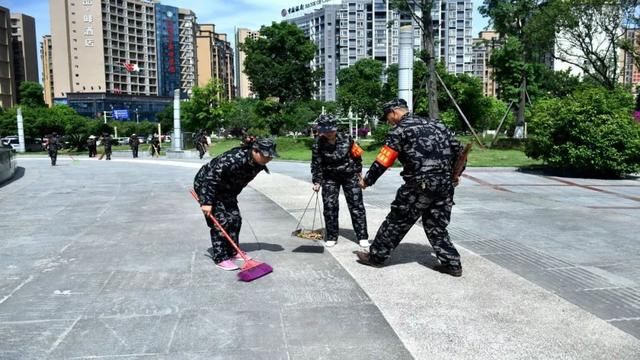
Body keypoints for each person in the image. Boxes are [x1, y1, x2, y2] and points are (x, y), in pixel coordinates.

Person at [355, 99, 464, 277]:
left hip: (419, 186)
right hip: (444, 185)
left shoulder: (400, 130)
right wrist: (456, 174)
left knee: (396, 221)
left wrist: (367, 181)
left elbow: (385, 159)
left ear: (394, 112)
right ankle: (452, 264)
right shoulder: (438, 125)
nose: (388, 121)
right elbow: (460, 151)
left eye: (387, 117)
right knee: (436, 224)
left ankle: (376, 257)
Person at [193, 137, 278, 271]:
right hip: (208, 187)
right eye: (266, 155)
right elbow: (210, 178)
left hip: (227, 191)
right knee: (221, 222)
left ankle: (233, 251)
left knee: (235, 219)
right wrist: (206, 202)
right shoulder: (233, 159)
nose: (268, 159)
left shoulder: (258, 163)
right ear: (255, 151)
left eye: (270, 156)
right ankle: (221, 257)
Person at [311, 114, 369, 248]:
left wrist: (360, 175)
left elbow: (357, 156)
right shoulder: (318, 143)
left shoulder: (347, 138)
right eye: (325, 131)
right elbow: (316, 164)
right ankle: (331, 236)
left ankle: (362, 236)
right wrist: (317, 181)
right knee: (330, 206)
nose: (329, 133)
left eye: (331, 130)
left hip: (349, 175)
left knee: (356, 205)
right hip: (330, 177)